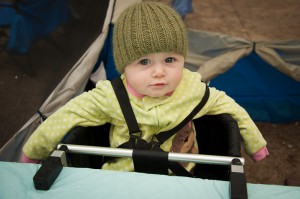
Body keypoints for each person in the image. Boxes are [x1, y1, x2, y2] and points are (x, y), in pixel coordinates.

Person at [21, 1, 269, 173]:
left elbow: (233, 109)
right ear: (123, 67)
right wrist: (33, 152)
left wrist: (256, 146)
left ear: (183, 59)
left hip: (183, 177)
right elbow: (65, 116)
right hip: (122, 177)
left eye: (170, 60)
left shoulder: (194, 90)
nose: (159, 71)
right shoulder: (110, 97)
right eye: (144, 61)